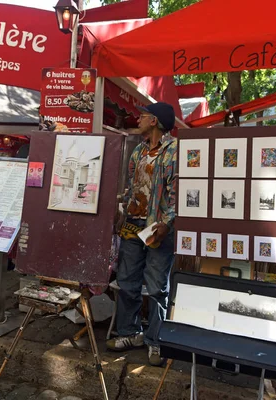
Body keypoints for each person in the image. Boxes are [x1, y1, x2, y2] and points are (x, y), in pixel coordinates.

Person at [106, 102, 177, 367]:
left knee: (158, 287)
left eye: (144, 115)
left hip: (158, 227)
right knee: (127, 282)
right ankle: (129, 333)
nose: (139, 117)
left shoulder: (175, 152)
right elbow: (132, 187)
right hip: (133, 225)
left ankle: (156, 341)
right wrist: (120, 210)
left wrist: (167, 222)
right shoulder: (138, 150)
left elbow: (179, 194)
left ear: (155, 121)